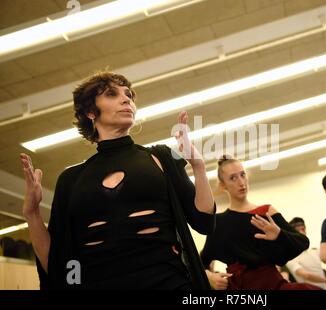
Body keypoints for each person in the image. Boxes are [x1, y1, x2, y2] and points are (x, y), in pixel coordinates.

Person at [19, 71, 216, 289]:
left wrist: (198, 167)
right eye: (112, 94)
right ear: (91, 112)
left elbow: (203, 220)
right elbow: (57, 269)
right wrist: (32, 213)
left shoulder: (160, 158)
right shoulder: (71, 180)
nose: (126, 99)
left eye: (129, 95)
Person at [200, 156, 315, 290]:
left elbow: (302, 242)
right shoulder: (218, 223)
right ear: (222, 185)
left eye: (242, 175)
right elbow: (199, 262)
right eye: (233, 178)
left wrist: (279, 234)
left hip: (273, 284)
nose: (241, 182)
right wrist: (209, 276)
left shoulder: (266, 212)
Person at [286, 217, 326, 290]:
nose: (302, 232)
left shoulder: (314, 251)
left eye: (303, 229)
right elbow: (306, 275)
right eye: (298, 231)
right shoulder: (291, 257)